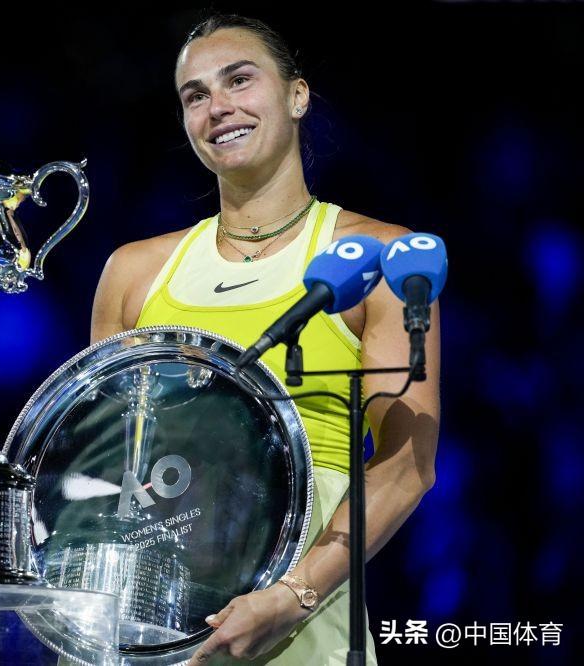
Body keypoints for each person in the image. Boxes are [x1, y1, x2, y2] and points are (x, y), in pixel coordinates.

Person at [90, 14, 440, 665]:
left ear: (297, 95)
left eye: (239, 80)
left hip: (303, 624)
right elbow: (101, 469)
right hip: (151, 626)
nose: (218, 107)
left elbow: (406, 464)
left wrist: (291, 596)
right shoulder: (132, 273)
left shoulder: (381, 258)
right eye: (195, 95)